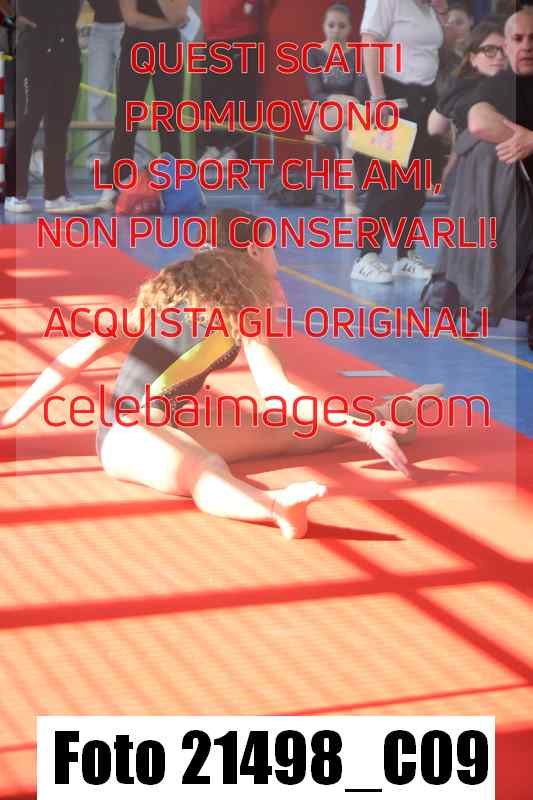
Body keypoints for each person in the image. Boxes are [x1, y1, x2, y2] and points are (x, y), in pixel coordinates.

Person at [0, 239, 445, 539]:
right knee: (204, 467)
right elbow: (83, 351)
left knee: (291, 431)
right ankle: (274, 507)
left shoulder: (244, 316)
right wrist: (13, 417)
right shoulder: (169, 306)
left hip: (179, 421)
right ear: (251, 254)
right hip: (127, 434)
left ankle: (390, 417)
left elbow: (279, 393)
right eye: (272, 255)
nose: (278, 266)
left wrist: (365, 429)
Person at [436, 8, 533, 328]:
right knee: (484, 150)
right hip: (506, 191)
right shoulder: (498, 84)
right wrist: (522, 142)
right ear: (508, 45)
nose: (527, 46)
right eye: (519, 39)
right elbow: (478, 123)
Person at [351, 0, 449, 284]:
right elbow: (369, 43)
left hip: (425, 97)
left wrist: (442, 10)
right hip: (389, 94)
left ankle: (405, 255)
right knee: (385, 182)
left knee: (416, 183)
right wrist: (378, 97)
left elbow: (436, 47)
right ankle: (366, 256)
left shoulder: (428, 8)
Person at [98, 0, 188, 211]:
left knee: (169, 122)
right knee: (126, 120)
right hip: (135, 46)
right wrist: (168, 23)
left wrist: (168, 18)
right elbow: (132, 18)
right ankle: (114, 185)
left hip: (168, 48)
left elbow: (178, 16)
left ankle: (173, 187)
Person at [3, 0, 85, 214]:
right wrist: (11, 18)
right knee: (27, 122)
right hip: (34, 48)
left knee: (58, 125)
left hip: (67, 48)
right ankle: (15, 193)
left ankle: (55, 194)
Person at [428, 20, 506, 189]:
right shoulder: (459, 87)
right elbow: (434, 129)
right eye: (490, 50)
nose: (500, 57)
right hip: (467, 172)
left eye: (505, 50)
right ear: (473, 58)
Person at [303, 3, 362, 215]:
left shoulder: (357, 55)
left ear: (350, 29)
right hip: (324, 118)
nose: (336, 30)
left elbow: (360, 95)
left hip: (351, 118)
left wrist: (346, 103)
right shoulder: (313, 53)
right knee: (350, 121)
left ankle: (349, 200)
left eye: (342, 26)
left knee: (349, 131)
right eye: (331, 25)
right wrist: (340, 99)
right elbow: (316, 93)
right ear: (324, 26)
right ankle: (351, 199)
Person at [197, 0, 266, 166]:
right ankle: (213, 147)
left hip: (240, 36)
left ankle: (237, 150)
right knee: (209, 96)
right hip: (212, 38)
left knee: (240, 97)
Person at [85, 0, 126, 172]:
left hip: (127, 25)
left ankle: (133, 155)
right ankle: (98, 154)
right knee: (97, 95)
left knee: (130, 95)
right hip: (99, 27)